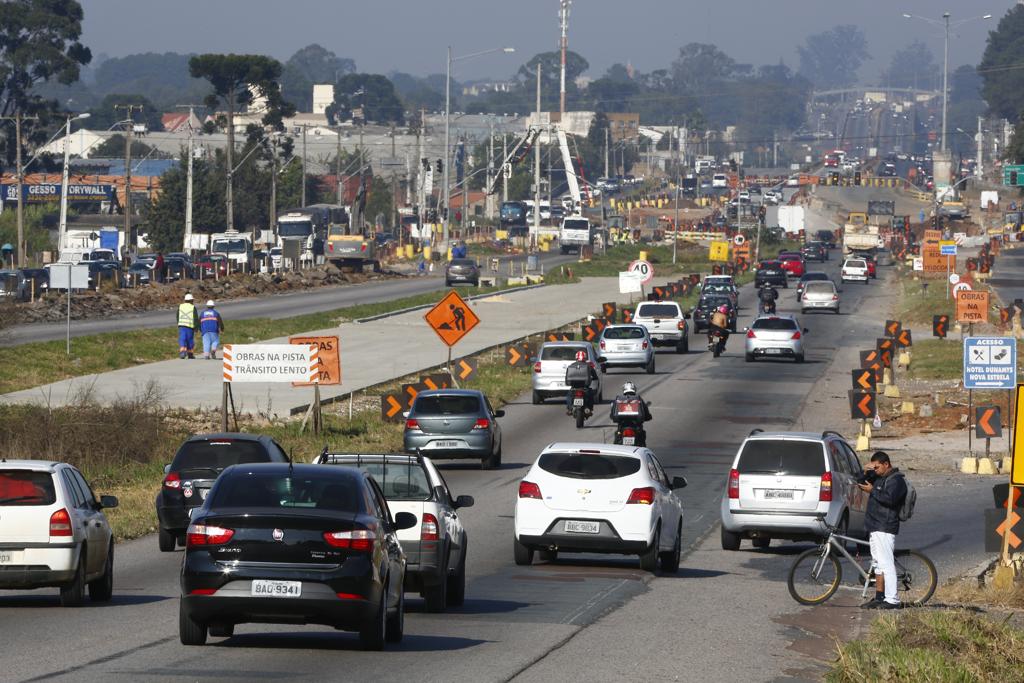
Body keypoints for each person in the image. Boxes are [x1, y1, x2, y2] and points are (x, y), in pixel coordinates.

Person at [858, 451, 909, 610]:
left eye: (878, 467)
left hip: (885, 526)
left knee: (886, 564)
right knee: (878, 564)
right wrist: (865, 471)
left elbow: (890, 500)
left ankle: (892, 599)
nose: (876, 470)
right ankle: (880, 597)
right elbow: (860, 482)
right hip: (874, 525)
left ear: (886, 464)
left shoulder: (897, 480)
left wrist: (872, 491)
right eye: (874, 467)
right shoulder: (879, 477)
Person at [564, 349, 599, 414]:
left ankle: (569, 408)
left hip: (574, 388)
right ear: (585, 358)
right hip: (585, 388)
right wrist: (594, 378)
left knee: (569, 396)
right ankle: (589, 409)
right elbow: (595, 376)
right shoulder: (589, 366)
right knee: (591, 396)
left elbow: (567, 376)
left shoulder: (571, 365)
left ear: (576, 358)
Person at [176, 292, 199, 359]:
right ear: (191, 300)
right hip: (189, 326)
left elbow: (177, 315)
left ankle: (182, 352)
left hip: (182, 325)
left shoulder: (180, 306)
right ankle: (190, 353)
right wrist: (196, 327)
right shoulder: (192, 307)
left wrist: (178, 323)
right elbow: (195, 318)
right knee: (190, 340)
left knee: (182, 338)